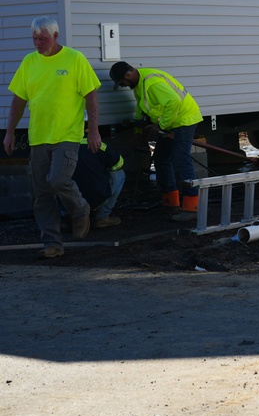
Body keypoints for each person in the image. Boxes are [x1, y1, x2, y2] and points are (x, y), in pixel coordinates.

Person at [3, 16, 101, 258]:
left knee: (57, 180)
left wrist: (94, 130)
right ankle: (52, 244)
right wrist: (9, 132)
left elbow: (91, 97)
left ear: (56, 36)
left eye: (42, 38)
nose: (37, 43)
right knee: (42, 194)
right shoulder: (29, 62)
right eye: (34, 38)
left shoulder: (74, 59)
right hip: (38, 138)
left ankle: (80, 209)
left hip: (67, 135)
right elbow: (18, 100)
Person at [109, 61, 203, 215]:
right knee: (161, 159)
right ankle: (170, 201)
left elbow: (174, 101)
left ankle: (192, 206)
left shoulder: (151, 83)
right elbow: (141, 107)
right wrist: (139, 132)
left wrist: (160, 126)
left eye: (123, 82)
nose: (124, 85)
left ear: (128, 74)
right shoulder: (139, 84)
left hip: (184, 121)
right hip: (171, 123)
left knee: (180, 159)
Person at [70, 136, 126, 228]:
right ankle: (102, 217)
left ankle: (68, 218)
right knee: (119, 175)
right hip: (97, 197)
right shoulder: (99, 145)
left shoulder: (60, 145)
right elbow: (119, 164)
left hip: (69, 201)